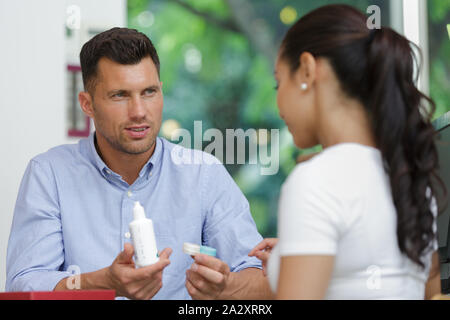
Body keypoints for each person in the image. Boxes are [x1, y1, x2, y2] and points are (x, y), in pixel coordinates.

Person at [6, 27, 272, 300]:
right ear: (87, 104)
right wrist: (100, 282)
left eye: (149, 92)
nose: (139, 112)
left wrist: (227, 287)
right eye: (120, 95)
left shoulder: (204, 174)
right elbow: (24, 284)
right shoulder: (49, 174)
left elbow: (259, 276)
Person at [249, 4, 446, 299]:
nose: (278, 104)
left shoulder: (314, 181)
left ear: (306, 70)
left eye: (279, 82)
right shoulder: (410, 182)